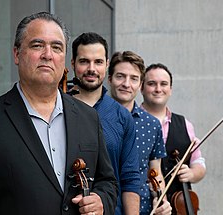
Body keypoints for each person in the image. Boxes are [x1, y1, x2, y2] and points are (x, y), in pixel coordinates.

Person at [0, 12, 118, 215]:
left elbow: (107, 181)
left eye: (57, 47)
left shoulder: (89, 117)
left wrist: (101, 200)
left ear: (65, 60)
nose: (48, 54)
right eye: (37, 45)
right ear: (16, 54)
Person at [71, 32, 140, 215]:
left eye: (98, 62)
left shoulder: (123, 117)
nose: (91, 68)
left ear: (107, 65)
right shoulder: (57, 108)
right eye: (84, 61)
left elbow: (130, 178)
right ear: (73, 64)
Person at [108, 51, 172, 215]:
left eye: (134, 78)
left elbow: (155, 171)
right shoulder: (93, 118)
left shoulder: (152, 124)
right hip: (105, 208)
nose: (126, 84)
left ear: (141, 84)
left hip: (142, 210)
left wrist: (161, 198)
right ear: (109, 79)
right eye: (120, 76)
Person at [140, 63, 206, 213]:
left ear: (170, 90)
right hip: (144, 206)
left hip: (181, 206)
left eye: (164, 84)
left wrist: (192, 173)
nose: (158, 89)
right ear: (141, 88)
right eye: (151, 84)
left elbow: (199, 163)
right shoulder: (132, 121)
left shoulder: (185, 124)